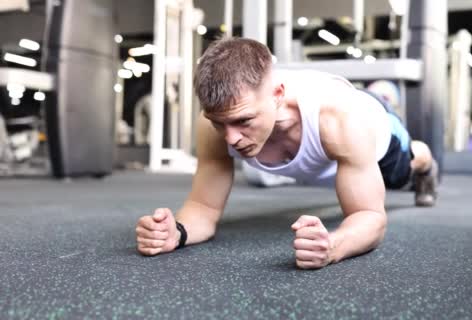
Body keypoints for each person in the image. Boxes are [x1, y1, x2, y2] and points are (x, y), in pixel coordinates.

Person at [135, 38, 438, 269]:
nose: (231, 138)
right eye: (219, 123)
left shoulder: (339, 118)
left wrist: (333, 246)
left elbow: (369, 217)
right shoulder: (216, 123)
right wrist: (176, 232)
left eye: (243, 121)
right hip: (332, 151)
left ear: (278, 96)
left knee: (404, 171)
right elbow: (203, 208)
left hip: (376, 130)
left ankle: (424, 162)